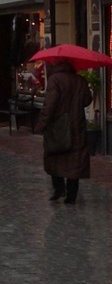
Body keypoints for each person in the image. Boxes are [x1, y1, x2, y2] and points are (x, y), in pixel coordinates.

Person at [35, 61, 93, 204]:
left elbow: (49, 105)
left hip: (58, 126)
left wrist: (41, 125)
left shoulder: (55, 80)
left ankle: (59, 188)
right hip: (77, 126)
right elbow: (87, 100)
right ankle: (71, 195)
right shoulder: (80, 80)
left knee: (55, 155)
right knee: (75, 160)